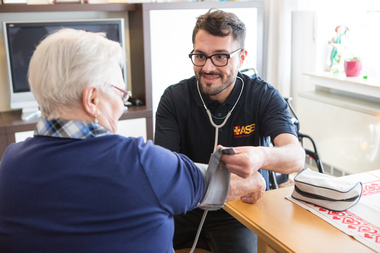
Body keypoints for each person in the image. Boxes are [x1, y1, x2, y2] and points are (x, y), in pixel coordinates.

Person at [0, 28, 209, 253]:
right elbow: (218, 183)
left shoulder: (9, 164)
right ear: (92, 99)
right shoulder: (144, 163)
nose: (121, 105)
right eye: (120, 94)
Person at [154, 9, 305, 253]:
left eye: (221, 57)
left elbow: (296, 156)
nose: (208, 67)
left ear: (242, 57)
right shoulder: (174, 98)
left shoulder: (263, 96)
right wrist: (238, 183)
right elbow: (163, 172)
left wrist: (260, 157)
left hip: (238, 211)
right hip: (186, 208)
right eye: (200, 56)